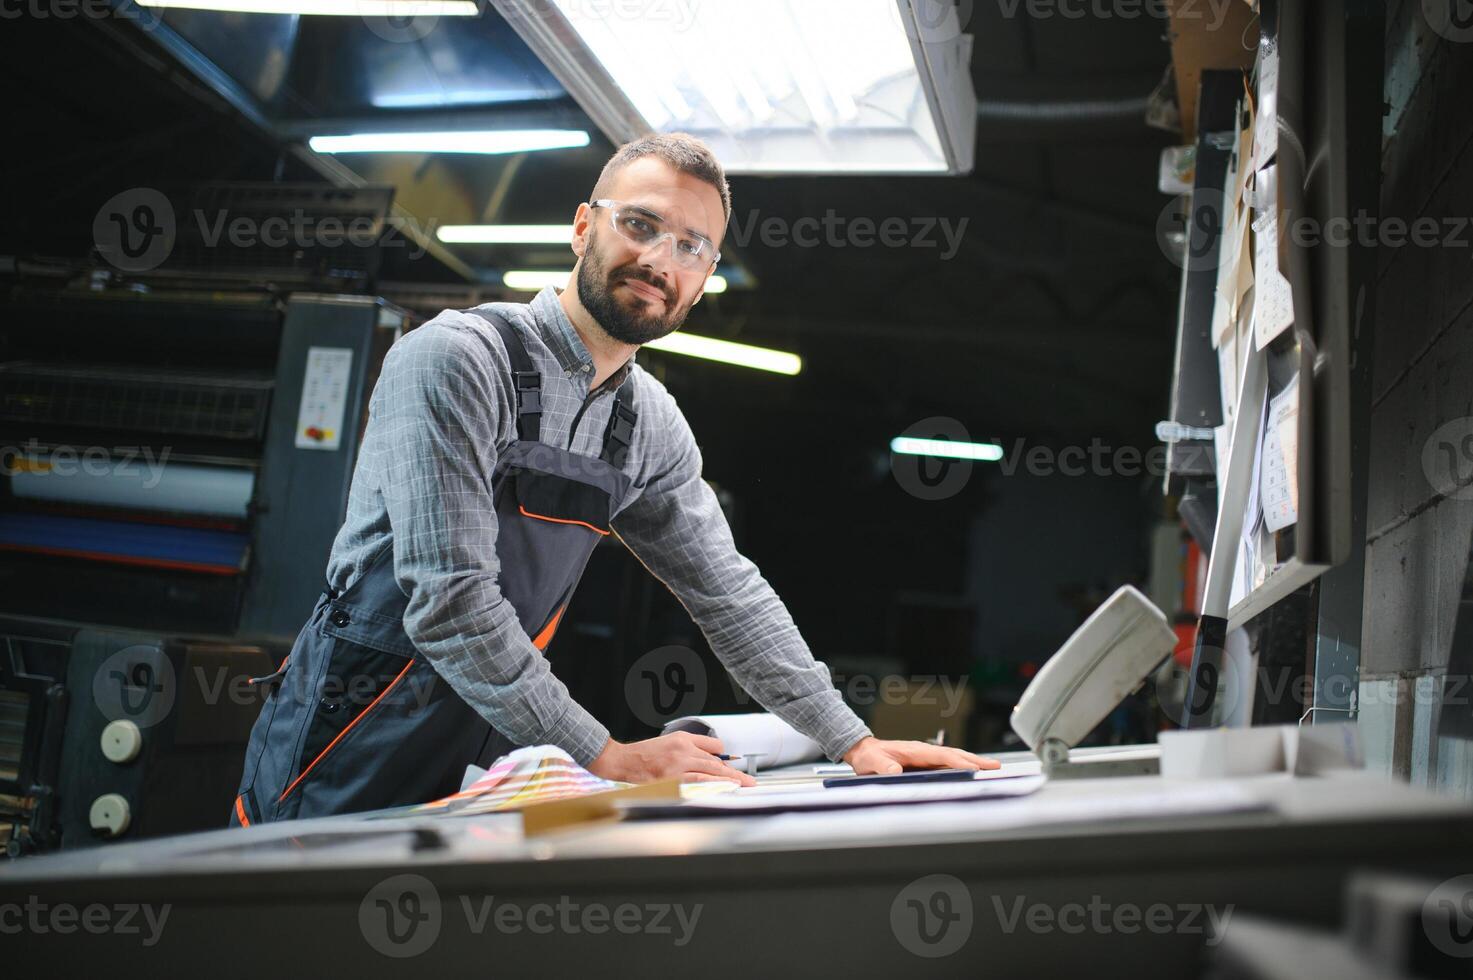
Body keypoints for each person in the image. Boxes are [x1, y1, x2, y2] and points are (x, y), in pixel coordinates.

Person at [230, 133, 995, 826]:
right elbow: (451, 604)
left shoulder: (648, 422)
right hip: (348, 729)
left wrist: (851, 741)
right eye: (640, 225)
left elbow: (728, 596)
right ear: (581, 226)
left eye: (692, 247)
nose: (662, 260)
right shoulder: (458, 359)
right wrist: (606, 756)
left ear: (702, 281)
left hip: (493, 736)